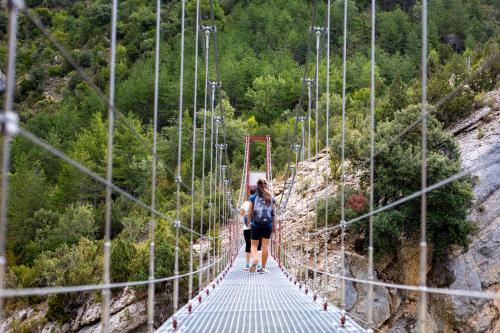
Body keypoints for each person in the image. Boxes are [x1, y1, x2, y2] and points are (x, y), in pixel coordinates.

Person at [247, 178, 275, 274]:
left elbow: (249, 212)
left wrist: (249, 222)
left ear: (257, 186)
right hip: (268, 225)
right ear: (266, 185)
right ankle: (262, 267)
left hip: (256, 225)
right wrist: (273, 225)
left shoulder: (253, 197)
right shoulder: (271, 197)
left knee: (254, 245)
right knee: (265, 247)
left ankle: (255, 259)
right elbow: (273, 213)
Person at [240, 187, 261, 270]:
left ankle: (247, 265)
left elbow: (241, 214)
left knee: (248, 245)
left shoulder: (246, 203)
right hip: (257, 227)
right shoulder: (260, 202)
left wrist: (246, 214)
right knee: (258, 246)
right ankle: (259, 265)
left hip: (247, 227)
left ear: (249, 193)